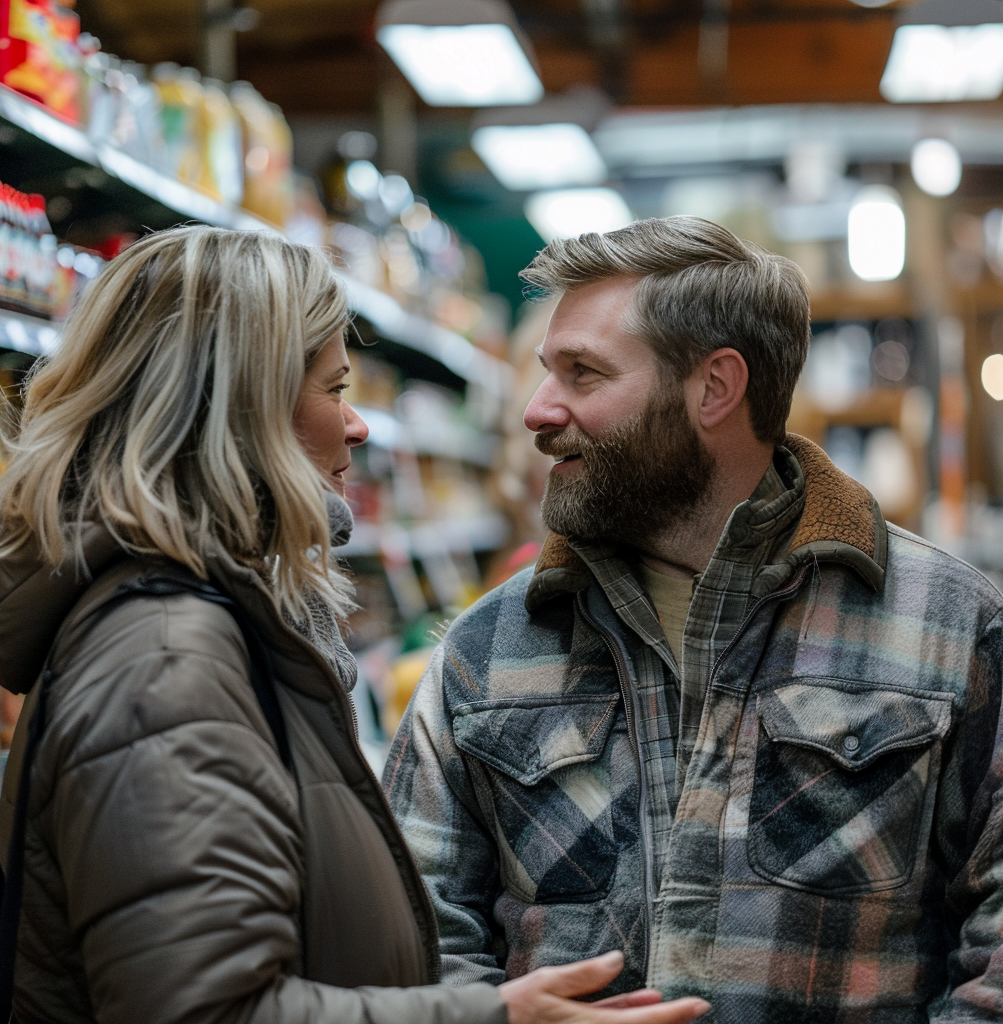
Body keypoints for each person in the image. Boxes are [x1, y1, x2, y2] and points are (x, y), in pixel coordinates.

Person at [0, 226, 712, 1024]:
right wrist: (494, 1018)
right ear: (240, 409)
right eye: (334, 390)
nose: (358, 426)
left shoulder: (202, 626)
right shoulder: (165, 659)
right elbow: (203, 1011)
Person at [385, 215, 1003, 1021]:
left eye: (583, 373)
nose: (537, 411)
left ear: (714, 387)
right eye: (546, 373)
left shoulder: (952, 631)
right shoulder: (488, 650)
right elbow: (413, 934)